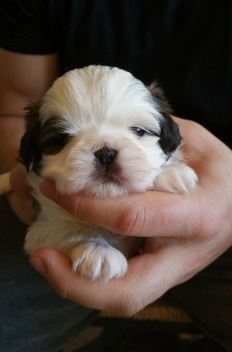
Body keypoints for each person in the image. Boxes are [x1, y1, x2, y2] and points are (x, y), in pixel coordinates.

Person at [0, 1, 231, 351]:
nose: (106, 153)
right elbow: (12, 113)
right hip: (52, 224)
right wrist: (37, 204)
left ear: (167, 136)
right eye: (65, 138)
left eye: (138, 130)